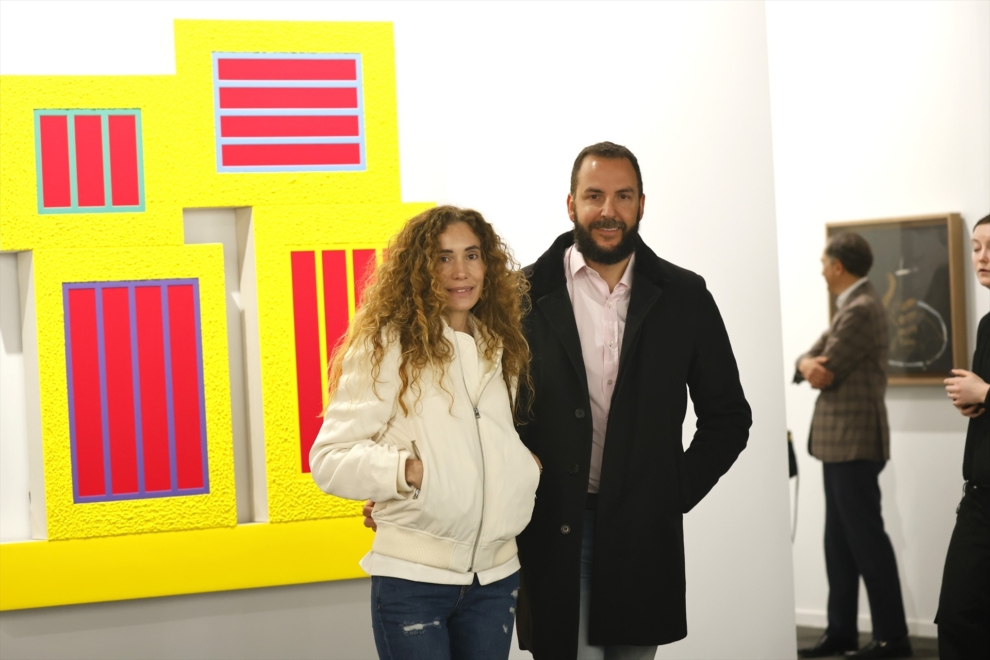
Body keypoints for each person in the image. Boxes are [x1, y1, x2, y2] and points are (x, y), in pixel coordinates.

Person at [513, 142, 752, 659]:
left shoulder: (685, 296)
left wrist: (673, 491)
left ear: (642, 204)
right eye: (594, 195)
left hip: (643, 535)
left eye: (623, 196)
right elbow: (484, 413)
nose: (608, 211)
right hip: (554, 530)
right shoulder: (520, 296)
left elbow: (729, 417)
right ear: (571, 204)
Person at [310, 206, 542, 660]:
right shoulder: (387, 345)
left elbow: (493, 438)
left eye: (472, 255)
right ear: (419, 269)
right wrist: (407, 472)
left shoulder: (501, 346)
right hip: (414, 579)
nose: (461, 271)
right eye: (443, 258)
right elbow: (330, 459)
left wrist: (523, 468)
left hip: (495, 580)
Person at [795, 233, 911, 659]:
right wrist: (805, 363)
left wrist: (808, 365)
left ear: (839, 266)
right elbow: (810, 358)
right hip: (842, 443)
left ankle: (892, 637)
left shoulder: (859, 309)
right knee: (839, 543)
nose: (822, 270)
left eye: (824, 263)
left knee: (865, 541)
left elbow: (825, 366)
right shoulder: (853, 306)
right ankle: (841, 631)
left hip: (854, 442)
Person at [938, 213, 990, 660]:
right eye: (975, 247)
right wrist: (973, 402)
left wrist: (987, 392)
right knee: (957, 616)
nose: (982, 258)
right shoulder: (988, 325)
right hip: (979, 498)